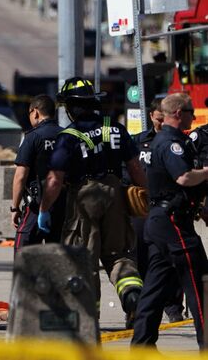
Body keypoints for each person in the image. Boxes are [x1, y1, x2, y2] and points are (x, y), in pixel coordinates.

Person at [38, 77, 147, 325]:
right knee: (118, 255)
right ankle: (133, 299)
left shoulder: (68, 137)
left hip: (84, 197)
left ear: (71, 107)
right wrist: (147, 192)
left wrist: (44, 209)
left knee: (82, 260)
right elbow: (136, 167)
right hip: (116, 195)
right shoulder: (116, 129)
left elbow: (55, 180)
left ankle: (87, 320)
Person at [132, 93, 208, 348]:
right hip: (173, 222)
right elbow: (184, 178)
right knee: (200, 282)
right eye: (189, 111)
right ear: (178, 113)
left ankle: (141, 347)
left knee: (154, 287)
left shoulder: (168, 140)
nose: (193, 116)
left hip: (162, 221)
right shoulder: (171, 143)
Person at [129, 97, 185, 325]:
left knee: (171, 260)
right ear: (152, 116)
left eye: (165, 119)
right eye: (158, 119)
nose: (161, 124)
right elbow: (130, 170)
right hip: (143, 210)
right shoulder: (139, 142)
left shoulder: (177, 142)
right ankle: (137, 309)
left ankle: (173, 308)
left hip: (168, 208)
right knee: (142, 260)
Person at [11, 94, 64, 253]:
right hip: (62, 204)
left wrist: (15, 207)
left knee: (23, 252)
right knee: (57, 254)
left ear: (35, 112)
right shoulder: (66, 136)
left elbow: (20, 176)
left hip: (35, 205)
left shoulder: (32, 137)